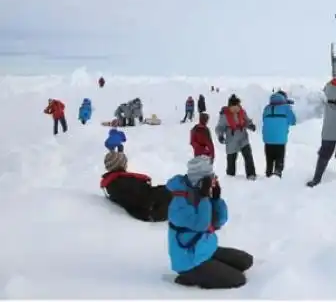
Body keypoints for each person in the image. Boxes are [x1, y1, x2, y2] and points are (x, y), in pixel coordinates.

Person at [167, 156, 254, 289]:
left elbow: (219, 221)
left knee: (246, 261)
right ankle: (188, 276)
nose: (213, 180)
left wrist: (216, 199)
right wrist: (204, 197)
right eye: (210, 178)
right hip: (189, 260)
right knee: (238, 279)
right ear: (200, 180)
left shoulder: (199, 194)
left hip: (205, 249)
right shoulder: (179, 202)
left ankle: (211, 267)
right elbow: (201, 225)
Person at [100, 151, 171, 222]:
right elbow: (142, 199)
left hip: (148, 206)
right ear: (120, 165)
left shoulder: (115, 181)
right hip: (151, 210)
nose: (126, 165)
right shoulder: (121, 182)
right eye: (124, 163)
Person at [215, 95, 257, 179]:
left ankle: (251, 174)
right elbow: (219, 127)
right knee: (231, 160)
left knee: (248, 156)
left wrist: (251, 125)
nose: (235, 109)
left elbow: (246, 121)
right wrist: (220, 135)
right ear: (229, 106)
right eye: (233, 107)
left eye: (236, 107)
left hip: (243, 138)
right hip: (231, 140)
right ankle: (230, 177)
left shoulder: (242, 112)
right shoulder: (224, 115)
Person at [262, 90, 297, 178]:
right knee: (279, 163)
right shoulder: (286, 108)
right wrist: (289, 108)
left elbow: (264, 120)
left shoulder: (267, 108)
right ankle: (277, 179)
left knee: (269, 162)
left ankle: (268, 177)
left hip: (268, 140)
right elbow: (293, 121)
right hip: (280, 141)